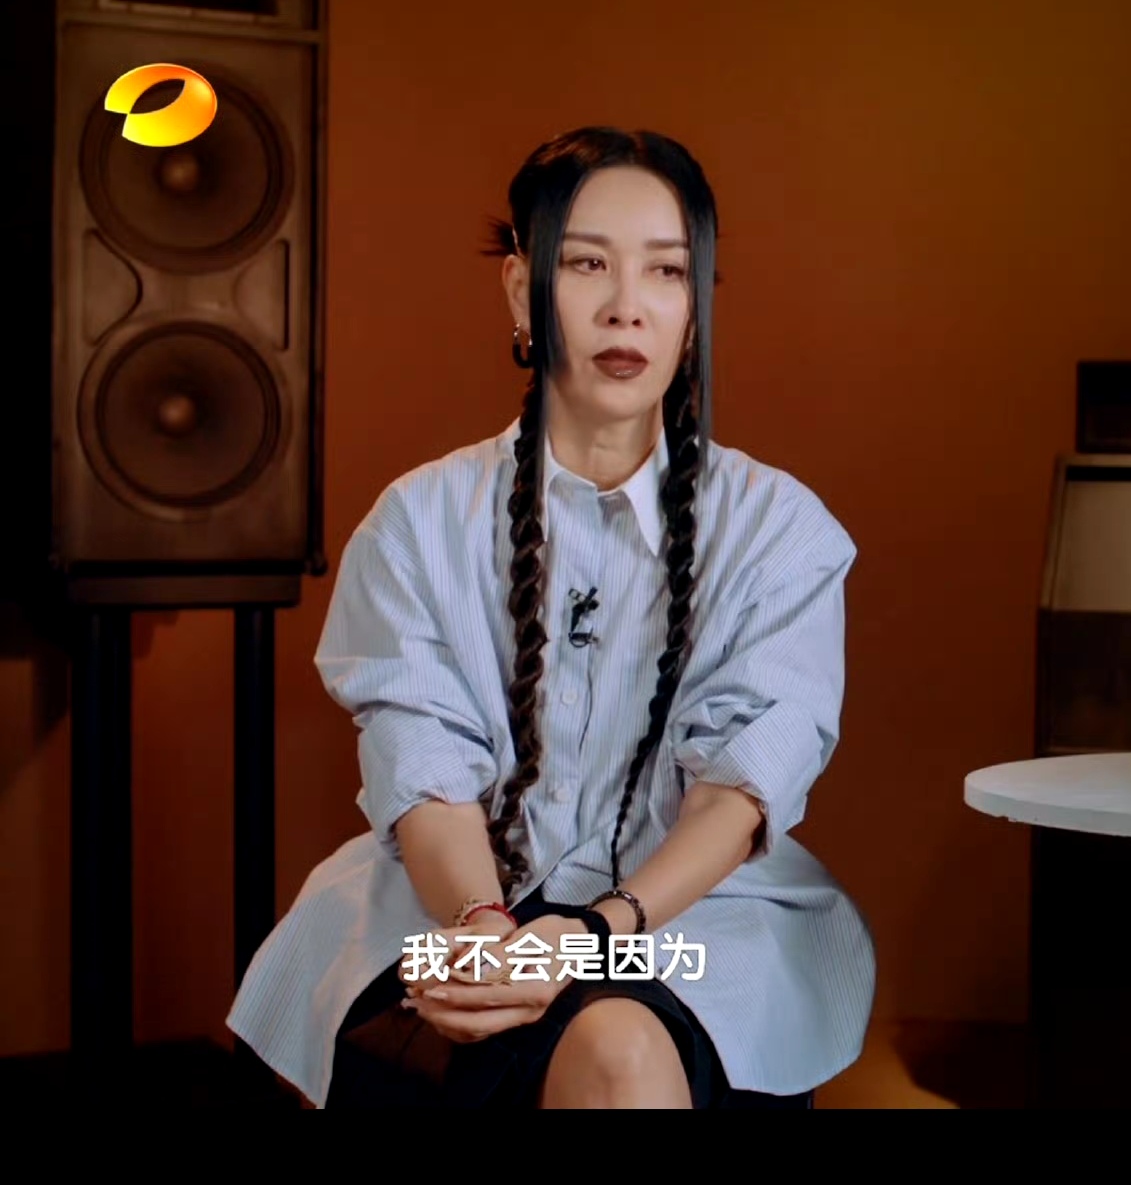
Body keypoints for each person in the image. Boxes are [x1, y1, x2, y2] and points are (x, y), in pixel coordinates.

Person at [226, 127, 876, 1108]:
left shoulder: (779, 530)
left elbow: (740, 791)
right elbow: (424, 765)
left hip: (690, 929)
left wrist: (587, 936)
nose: (626, 306)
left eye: (666, 271)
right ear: (519, 287)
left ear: (694, 306)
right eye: (585, 264)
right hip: (449, 916)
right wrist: (486, 928)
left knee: (621, 1050)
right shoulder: (418, 521)